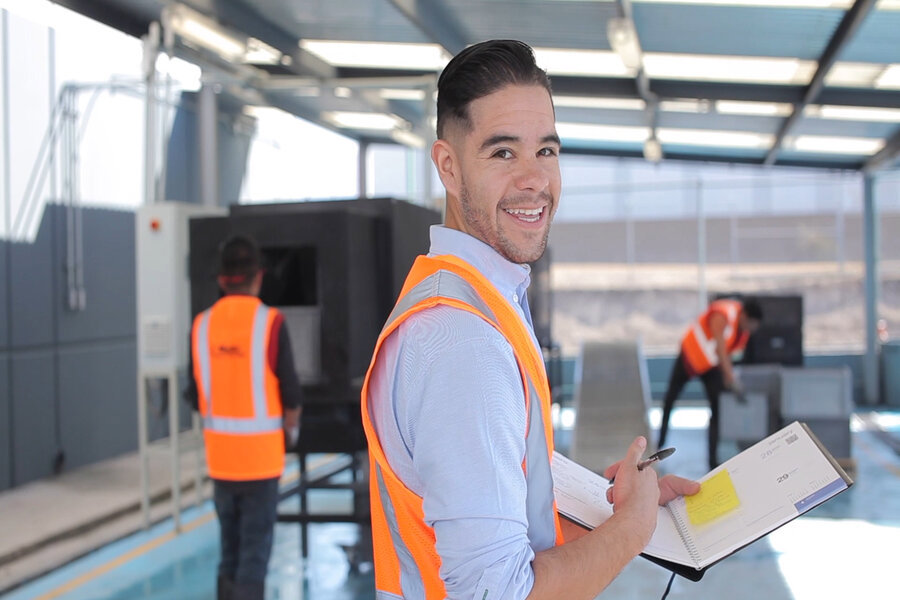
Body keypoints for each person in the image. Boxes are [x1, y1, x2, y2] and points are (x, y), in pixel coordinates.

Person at [360, 39, 700, 600]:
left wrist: (602, 502)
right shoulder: (461, 341)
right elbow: (498, 594)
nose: (534, 180)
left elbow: (498, 491)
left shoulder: (477, 298)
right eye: (502, 154)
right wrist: (632, 529)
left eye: (546, 151)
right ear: (448, 165)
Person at [184, 234, 302, 600]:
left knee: (229, 554)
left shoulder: (201, 326)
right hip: (261, 465)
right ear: (258, 277)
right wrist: (291, 429)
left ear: (221, 279)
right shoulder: (271, 323)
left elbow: (193, 394)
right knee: (253, 557)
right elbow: (292, 393)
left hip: (221, 464)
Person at [657, 297, 763, 470]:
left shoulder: (743, 333)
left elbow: (730, 355)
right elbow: (720, 346)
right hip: (690, 356)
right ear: (745, 316)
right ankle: (660, 443)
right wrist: (730, 377)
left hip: (711, 366)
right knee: (670, 398)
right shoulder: (725, 313)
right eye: (751, 324)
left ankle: (713, 462)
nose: (751, 329)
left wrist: (730, 376)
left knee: (716, 409)